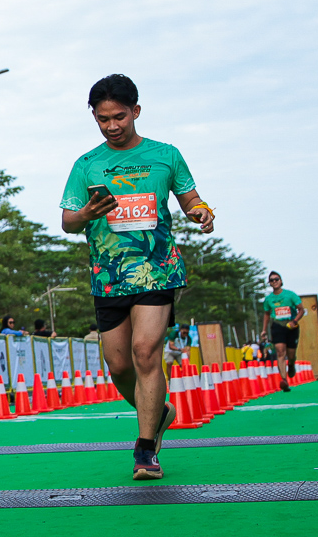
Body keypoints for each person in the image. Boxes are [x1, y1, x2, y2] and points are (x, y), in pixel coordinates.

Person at [60, 74, 215, 482]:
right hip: (108, 277)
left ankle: (146, 450)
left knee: (146, 352)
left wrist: (200, 211)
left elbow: (190, 199)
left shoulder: (166, 155)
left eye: (119, 117)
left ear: (136, 111)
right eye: (103, 119)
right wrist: (86, 214)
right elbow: (68, 222)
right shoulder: (86, 164)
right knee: (118, 365)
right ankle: (158, 412)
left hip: (157, 270)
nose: (112, 126)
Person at [259, 272, 302, 390]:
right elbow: (266, 314)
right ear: (270, 283)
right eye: (272, 280)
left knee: (291, 354)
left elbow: (301, 310)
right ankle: (284, 380)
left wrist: (295, 321)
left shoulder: (291, 295)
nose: (274, 281)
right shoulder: (268, 299)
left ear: (281, 281)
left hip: (291, 326)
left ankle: (291, 365)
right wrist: (264, 330)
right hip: (277, 326)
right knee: (280, 352)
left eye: (276, 279)